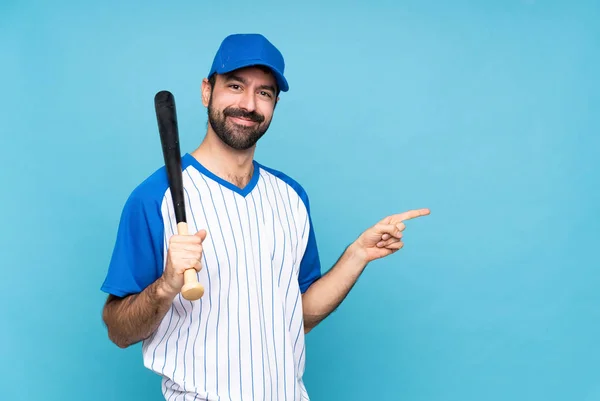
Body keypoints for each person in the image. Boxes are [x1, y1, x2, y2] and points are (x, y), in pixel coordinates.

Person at [100, 33, 430, 401]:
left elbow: (296, 316)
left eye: (264, 93)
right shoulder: (153, 198)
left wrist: (357, 255)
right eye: (236, 85)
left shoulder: (291, 198)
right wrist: (166, 285)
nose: (248, 104)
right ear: (206, 91)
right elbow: (118, 331)